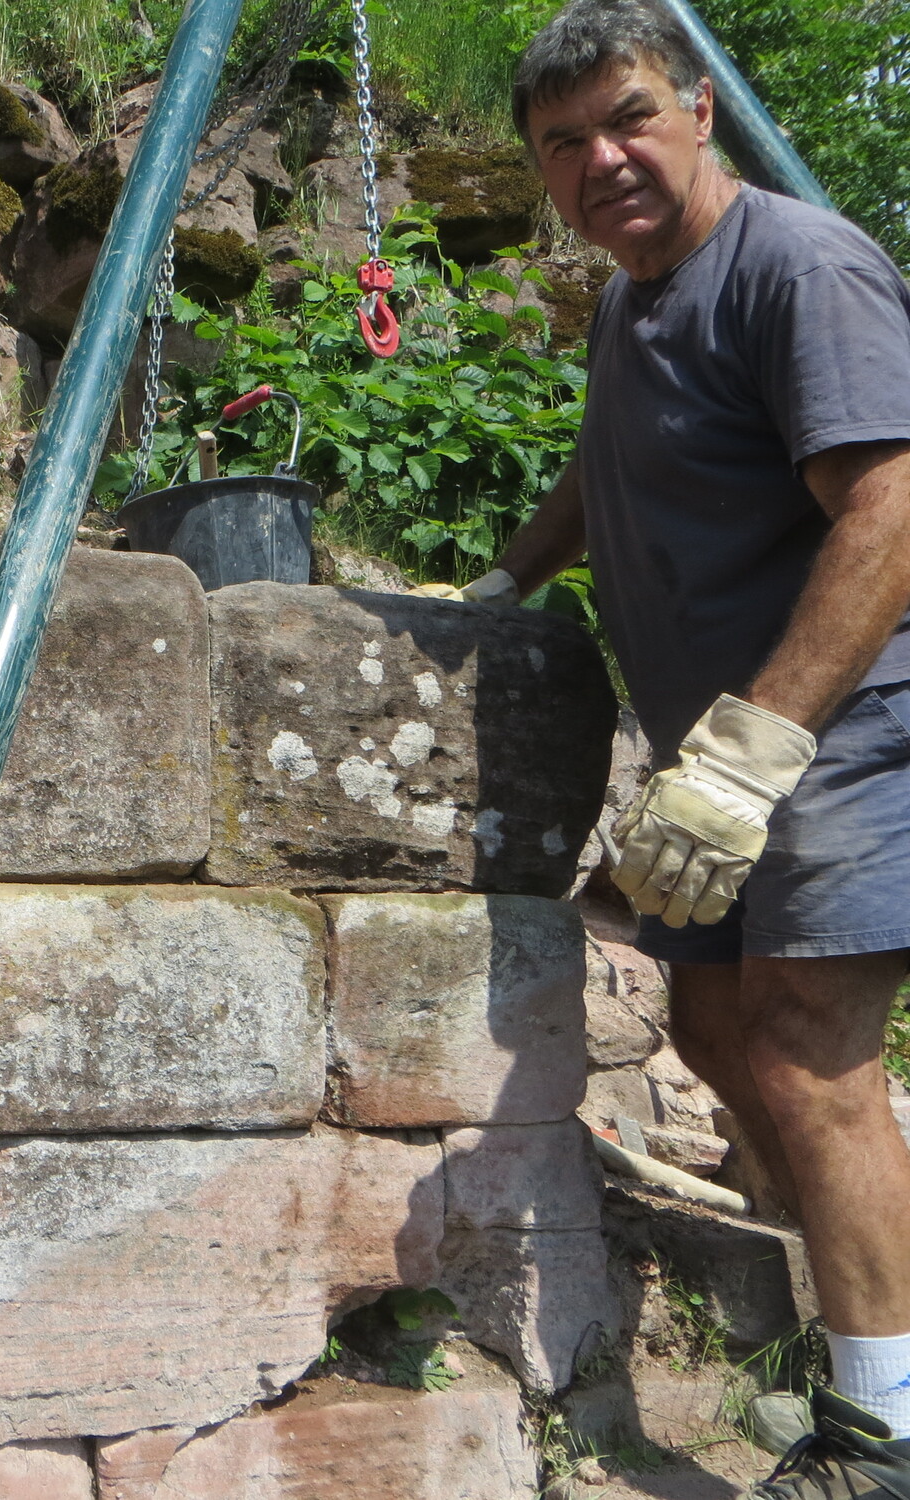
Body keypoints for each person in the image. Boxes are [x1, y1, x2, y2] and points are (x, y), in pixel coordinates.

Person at [419, 2, 910, 1493]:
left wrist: (759, 748)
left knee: (808, 1057)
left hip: (840, 729)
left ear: (700, 109)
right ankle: (872, 1316)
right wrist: (502, 583)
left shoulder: (797, 267)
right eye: (563, 142)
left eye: (629, 117)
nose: (603, 159)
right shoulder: (636, 302)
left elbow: (892, 506)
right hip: (729, 750)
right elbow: (607, 466)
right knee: (708, 1031)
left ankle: (885, 1434)